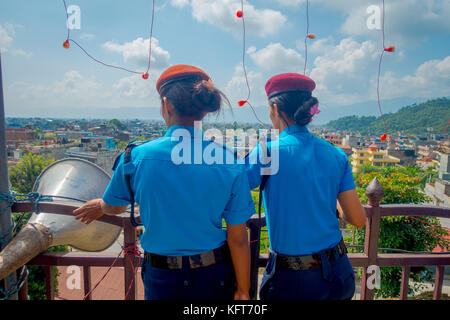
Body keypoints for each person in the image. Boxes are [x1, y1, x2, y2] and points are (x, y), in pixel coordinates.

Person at [73, 65, 255, 300]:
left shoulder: (136, 157)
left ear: (167, 104)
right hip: (213, 274)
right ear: (202, 111)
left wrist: (99, 205)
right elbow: (238, 239)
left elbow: (113, 207)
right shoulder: (228, 159)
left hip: (162, 277)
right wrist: (243, 289)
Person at [245, 73, 367, 300]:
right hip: (338, 272)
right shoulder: (336, 154)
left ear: (274, 109)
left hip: (293, 279)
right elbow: (358, 220)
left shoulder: (267, 152)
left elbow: (233, 189)